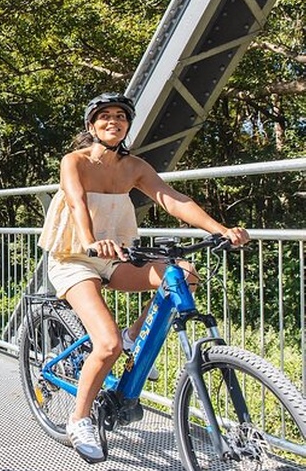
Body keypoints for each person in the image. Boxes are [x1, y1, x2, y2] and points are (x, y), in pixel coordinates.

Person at [38, 93, 250, 464]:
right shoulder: (75, 161)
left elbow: (172, 198)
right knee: (106, 345)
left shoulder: (134, 166)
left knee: (184, 274)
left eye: (120, 117)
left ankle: (133, 336)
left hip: (116, 257)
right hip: (74, 258)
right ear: (92, 126)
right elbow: (76, 201)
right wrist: (90, 241)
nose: (113, 122)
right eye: (104, 116)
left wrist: (220, 229)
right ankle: (79, 420)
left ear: (127, 126)